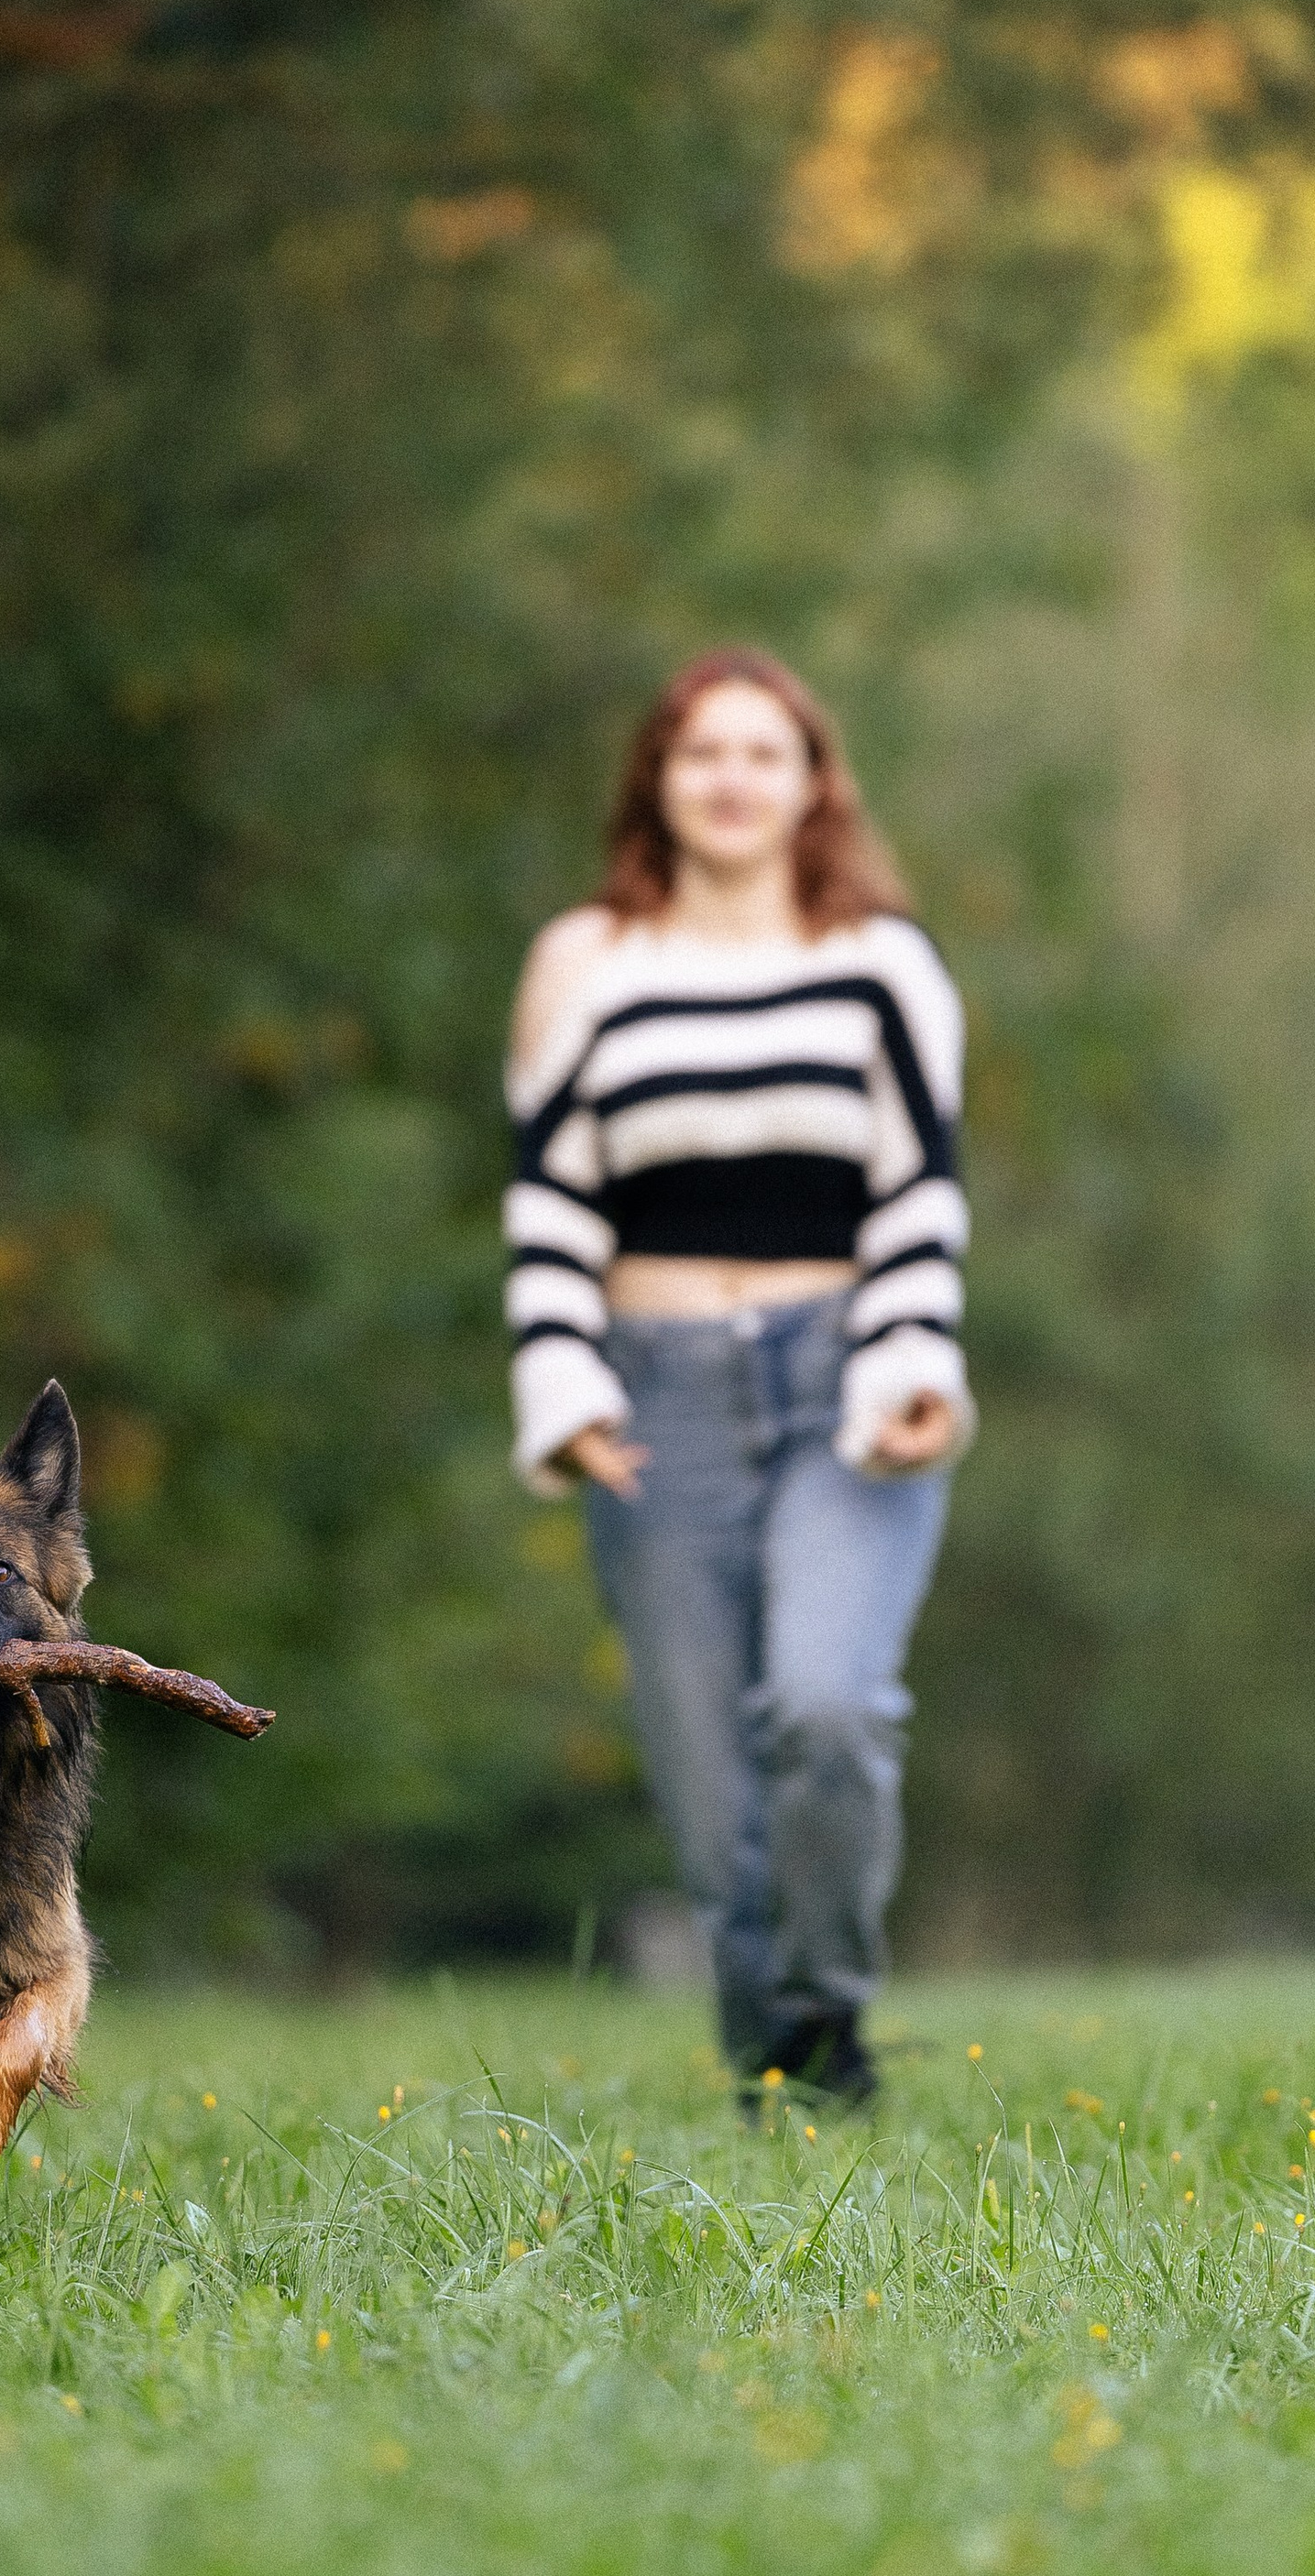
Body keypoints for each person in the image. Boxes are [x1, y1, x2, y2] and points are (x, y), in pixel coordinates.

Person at [502, 647, 973, 2103]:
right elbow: (548, 1196)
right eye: (701, 752)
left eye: (762, 753)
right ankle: (772, 2056)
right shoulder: (586, 960)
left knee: (829, 1708)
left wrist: (913, 1361)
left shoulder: (881, 961)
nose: (730, 778)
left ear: (812, 781)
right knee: (715, 1785)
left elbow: (919, 1191)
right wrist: (565, 1386)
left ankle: (828, 2018)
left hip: (846, 1381)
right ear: (657, 775)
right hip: (654, 1396)